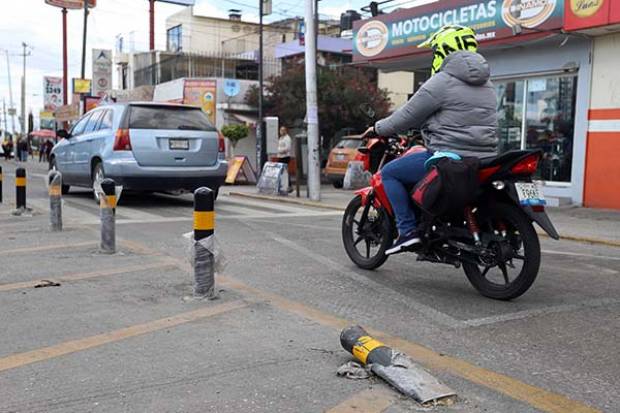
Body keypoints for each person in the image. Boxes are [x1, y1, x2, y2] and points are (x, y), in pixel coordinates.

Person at [361, 25, 498, 255]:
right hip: (484, 157)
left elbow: (406, 116)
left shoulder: (442, 81)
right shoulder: (487, 84)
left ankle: (407, 232)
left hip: (448, 155)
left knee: (389, 173)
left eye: (435, 51)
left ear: (444, 49)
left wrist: (377, 128)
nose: (434, 56)